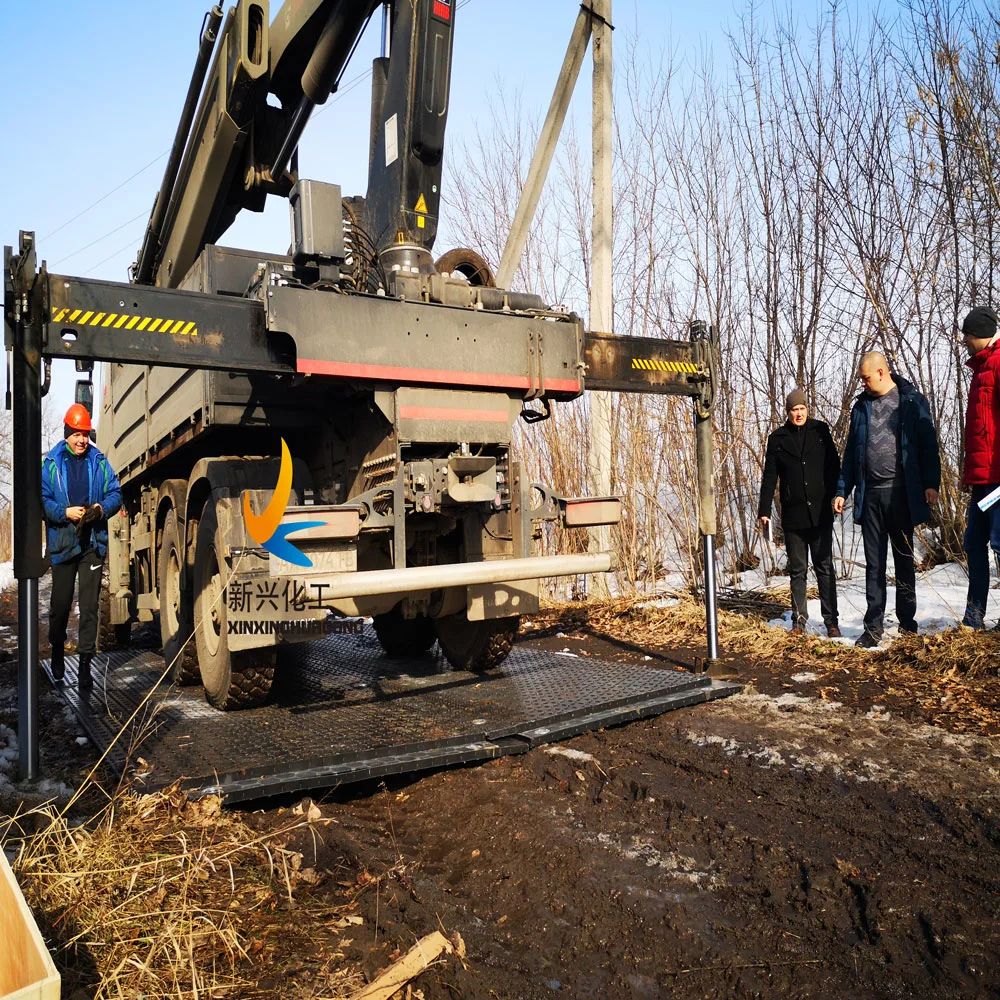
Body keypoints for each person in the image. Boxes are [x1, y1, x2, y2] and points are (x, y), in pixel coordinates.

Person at [834, 352, 940, 648]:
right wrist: (842, 490)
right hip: (871, 496)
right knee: (873, 564)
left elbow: (928, 445)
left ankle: (907, 624)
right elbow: (851, 454)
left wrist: (931, 484)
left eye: (865, 378)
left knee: (904, 561)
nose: (862, 383)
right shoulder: (860, 408)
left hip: (901, 494)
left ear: (881, 372)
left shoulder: (911, 401)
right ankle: (873, 627)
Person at [41, 404, 122, 689]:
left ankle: (86, 664)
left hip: (92, 544)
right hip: (63, 543)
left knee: (88, 608)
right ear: (67, 434)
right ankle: (57, 650)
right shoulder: (51, 463)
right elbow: (44, 501)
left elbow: (116, 493)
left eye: (85, 434)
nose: (81, 440)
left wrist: (100, 510)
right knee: (60, 606)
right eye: (76, 434)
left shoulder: (99, 461)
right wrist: (65, 513)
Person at [758, 389, 842, 637]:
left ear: (807, 409)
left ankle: (831, 622)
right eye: (794, 409)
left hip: (820, 513)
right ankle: (798, 621)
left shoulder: (821, 431)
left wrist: (838, 494)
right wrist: (764, 509)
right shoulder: (777, 439)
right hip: (793, 516)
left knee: (825, 567)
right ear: (788, 412)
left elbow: (834, 466)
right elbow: (770, 476)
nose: (799, 413)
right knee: (798, 570)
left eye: (802, 408)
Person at [959, 306, 1000, 629]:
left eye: (967, 336)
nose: (965, 342)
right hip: (984, 482)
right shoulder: (980, 369)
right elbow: (977, 429)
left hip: (999, 481)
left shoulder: (998, 365)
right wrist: (967, 473)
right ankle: (974, 616)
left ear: (978, 334)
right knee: (974, 540)